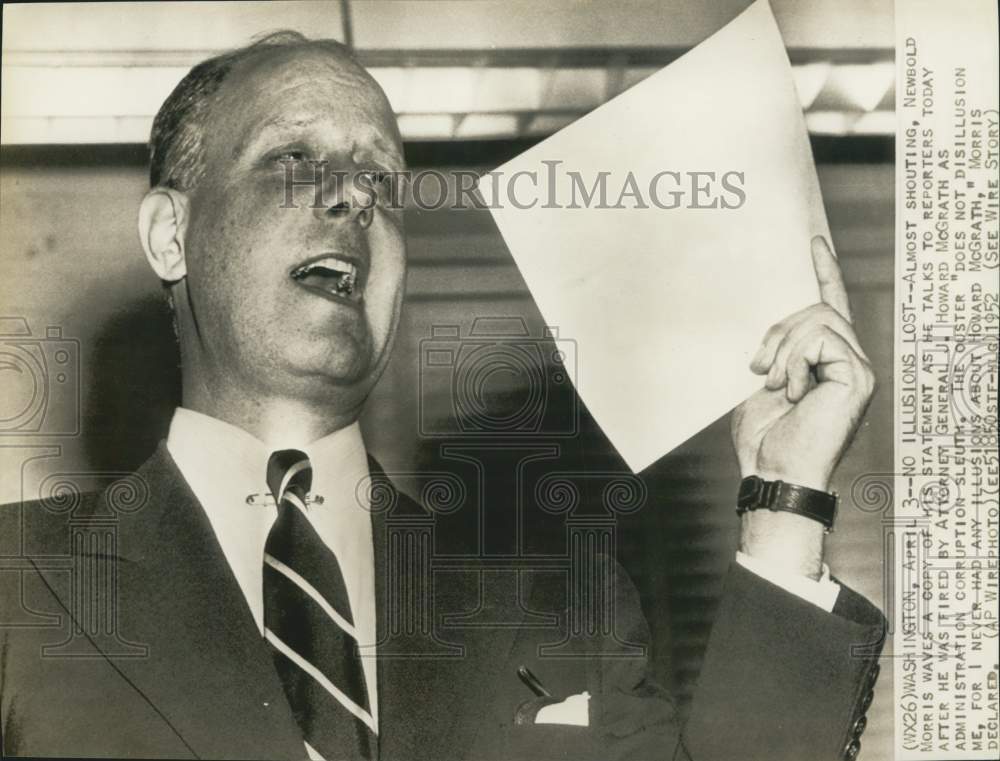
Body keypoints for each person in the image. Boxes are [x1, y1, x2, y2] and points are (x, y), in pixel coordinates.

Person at [0, 32, 884, 761]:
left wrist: (784, 504)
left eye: (382, 179)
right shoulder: (18, 588)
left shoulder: (563, 607)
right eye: (294, 160)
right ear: (171, 233)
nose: (353, 195)